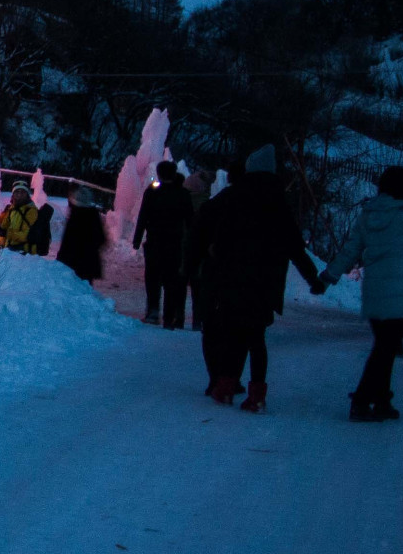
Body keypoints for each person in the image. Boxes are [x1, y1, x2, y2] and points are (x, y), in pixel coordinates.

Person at [191, 145, 322, 412]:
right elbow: (295, 246)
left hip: (234, 279)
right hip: (266, 283)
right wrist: (313, 278)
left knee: (233, 333)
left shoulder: (237, 197)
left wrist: (213, 257)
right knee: (257, 338)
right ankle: (257, 394)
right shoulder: (278, 202)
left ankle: (225, 386)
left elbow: (222, 237)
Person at [318, 165, 403, 422]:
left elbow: (349, 251)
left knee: (385, 347)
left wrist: (328, 276)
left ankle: (381, 401)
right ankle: (361, 401)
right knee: (384, 350)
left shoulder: (368, 216)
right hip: (402, 298)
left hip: (376, 295)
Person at [133, 159, 194, 327]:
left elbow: (143, 216)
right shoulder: (182, 194)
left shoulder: (152, 192)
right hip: (174, 244)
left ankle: (153, 311)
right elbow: (190, 221)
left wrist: (137, 238)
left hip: (155, 242)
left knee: (152, 278)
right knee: (171, 281)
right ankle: (169, 316)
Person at [183, 168, 214, 331]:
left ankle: (177, 317)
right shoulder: (206, 204)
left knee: (181, 283)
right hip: (201, 250)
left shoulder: (184, 201)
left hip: (186, 248)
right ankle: (198, 319)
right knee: (199, 286)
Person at [56, 185, 105, 284]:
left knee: (73, 288)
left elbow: (67, 241)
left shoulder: (75, 215)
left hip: (72, 262)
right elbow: (100, 239)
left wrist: (60, 259)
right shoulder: (93, 215)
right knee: (85, 287)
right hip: (89, 262)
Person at [0, 185, 39, 252]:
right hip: (8, 250)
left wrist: (6, 233)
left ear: (27, 194)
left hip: (23, 253)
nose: (19, 195)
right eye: (17, 192)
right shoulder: (11, 209)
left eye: (22, 192)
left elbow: (27, 236)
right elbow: (4, 229)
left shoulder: (31, 211)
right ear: (13, 194)